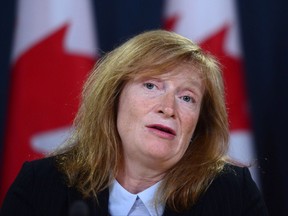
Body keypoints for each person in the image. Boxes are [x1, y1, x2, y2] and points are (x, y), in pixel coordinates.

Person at [0, 30, 268, 216]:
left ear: (199, 123)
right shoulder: (41, 185)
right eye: (151, 85)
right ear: (114, 97)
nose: (168, 108)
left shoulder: (232, 194)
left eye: (187, 98)